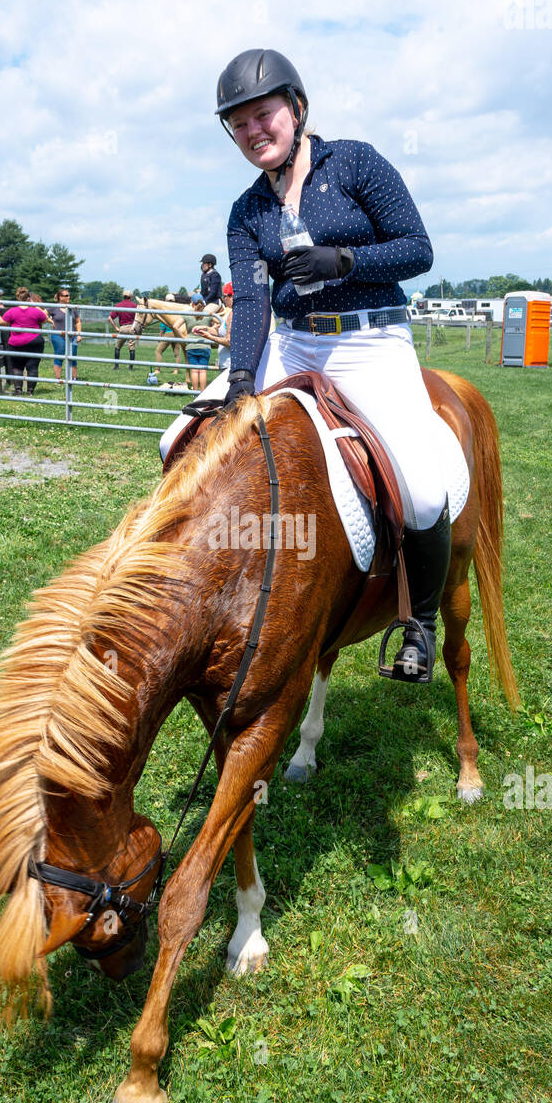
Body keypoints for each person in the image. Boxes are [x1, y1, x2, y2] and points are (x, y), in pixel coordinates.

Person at [159, 48, 470, 684]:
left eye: (262, 114)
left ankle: (421, 623)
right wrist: (242, 379)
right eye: (238, 124)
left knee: (420, 487)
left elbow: (419, 249)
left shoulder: (354, 161)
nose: (252, 131)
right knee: (177, 437)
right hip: (292, 343)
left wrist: (346, 263)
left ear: (296, 109)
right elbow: (249, 300)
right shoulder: (247, 212)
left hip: (370, 341)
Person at [0, 288, 51, 395]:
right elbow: (44, 319)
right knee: (33, 367)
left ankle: (18, 390)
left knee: (17, 367)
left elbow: (2, 322)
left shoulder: (12, 311)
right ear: (29, 298)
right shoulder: (35, 311)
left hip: (16, 343)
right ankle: (30, 392)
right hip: (34, 342)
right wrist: (34, 305)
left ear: (17, 298)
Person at [192, 280, 232, 371]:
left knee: (205, 312)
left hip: (230, 365)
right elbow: (221, 332)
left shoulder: (233, 315)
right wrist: (206, 328)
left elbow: (229, 341)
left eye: (225, 296)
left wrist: (209, 337)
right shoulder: (229, 313)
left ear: (232, 296)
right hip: (225, 364)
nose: (224, 299)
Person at [50, 288, 82, 381]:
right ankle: (58, 379)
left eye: (69, 295)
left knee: (73, 357)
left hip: (72, 336)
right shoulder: (53, 308)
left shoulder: (72, 308)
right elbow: (43, 315)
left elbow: (78, 322)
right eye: (66, 295)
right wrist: (50, 321)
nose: (69, 297)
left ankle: (74, 378)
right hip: (58, 336)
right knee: (59, 356)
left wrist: (79, 334)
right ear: (60, 297)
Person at [109, 292, 138, 369]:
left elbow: (110, 318)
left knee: (117, 347)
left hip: (122, 328)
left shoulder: (118, 305)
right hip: (132, 327)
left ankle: (116, 366)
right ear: (130, 297)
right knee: (131, 348)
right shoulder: (135, 306)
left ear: (123, 296)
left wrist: (116, 328)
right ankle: (131, 367)